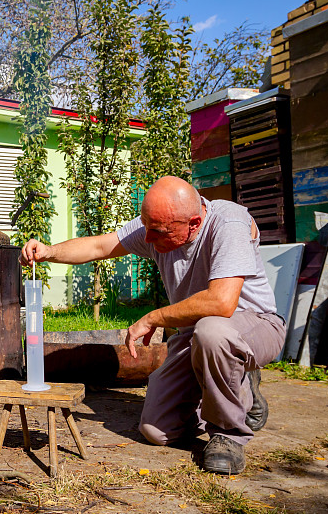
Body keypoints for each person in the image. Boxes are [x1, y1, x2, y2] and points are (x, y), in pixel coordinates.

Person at [20, 176, 286, 475]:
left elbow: (221, 303)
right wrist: (48, 252)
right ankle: (234, 390)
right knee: (157, 430)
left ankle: (227, 434)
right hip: (196, 335)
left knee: (213, 331)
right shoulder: (155, 225)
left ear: (194, 223)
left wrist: (153, 317)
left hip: (252, 325)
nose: (147, 240)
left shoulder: (229, 223)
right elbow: (98, 246)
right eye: (146, 227)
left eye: (157, 232)